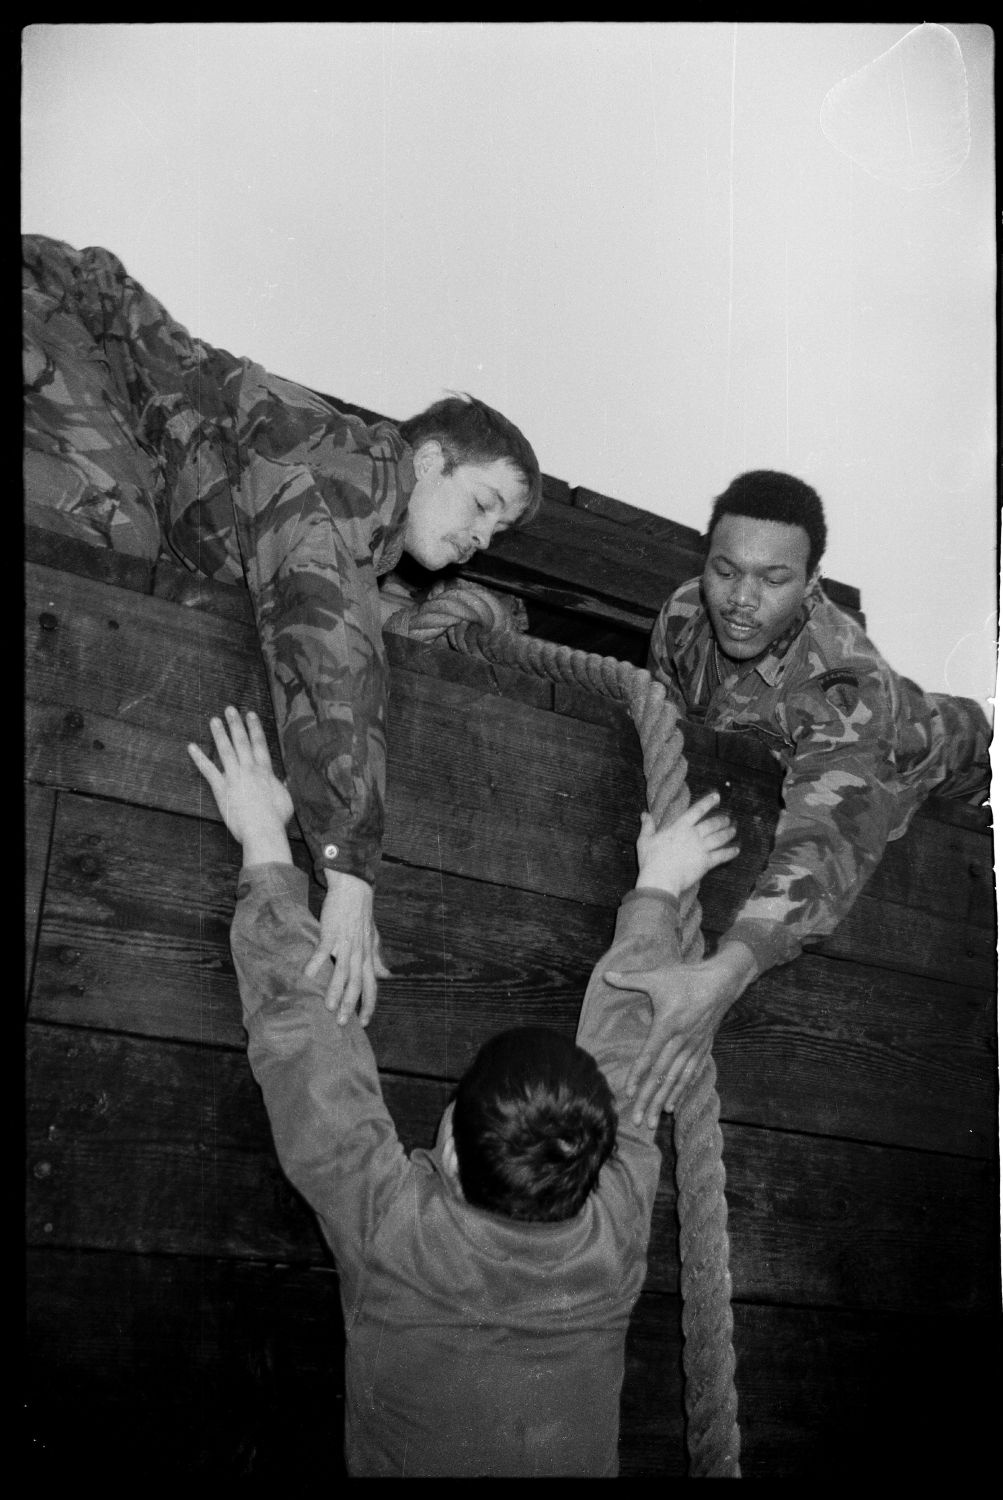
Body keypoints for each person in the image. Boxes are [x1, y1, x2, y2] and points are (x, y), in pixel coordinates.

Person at [187, 704, 739, 1477]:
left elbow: (307, 1054)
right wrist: (657, 887)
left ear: (446, 1147)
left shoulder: (398, 1235)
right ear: (593, 1159)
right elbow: (630, 1069)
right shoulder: (612, 1233)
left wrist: (266, 844)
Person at [24, 233, 541, 1026]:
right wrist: (349, 870)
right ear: (430, 459)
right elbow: (324, 630)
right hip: (59, 308)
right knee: (106, 533)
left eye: (499, 533)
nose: (481, 538)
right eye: (482, 505)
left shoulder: (355, 524)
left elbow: (353, 608)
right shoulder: (361, 472)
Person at [609, 469, 991, 1127]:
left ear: (810, 582)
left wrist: (724, 973)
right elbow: (675, 740)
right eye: (724, 571)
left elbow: (822, 846)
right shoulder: (680, 618)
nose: (739, 599)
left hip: (960, 752)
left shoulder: (846, 686)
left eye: (772, 579)